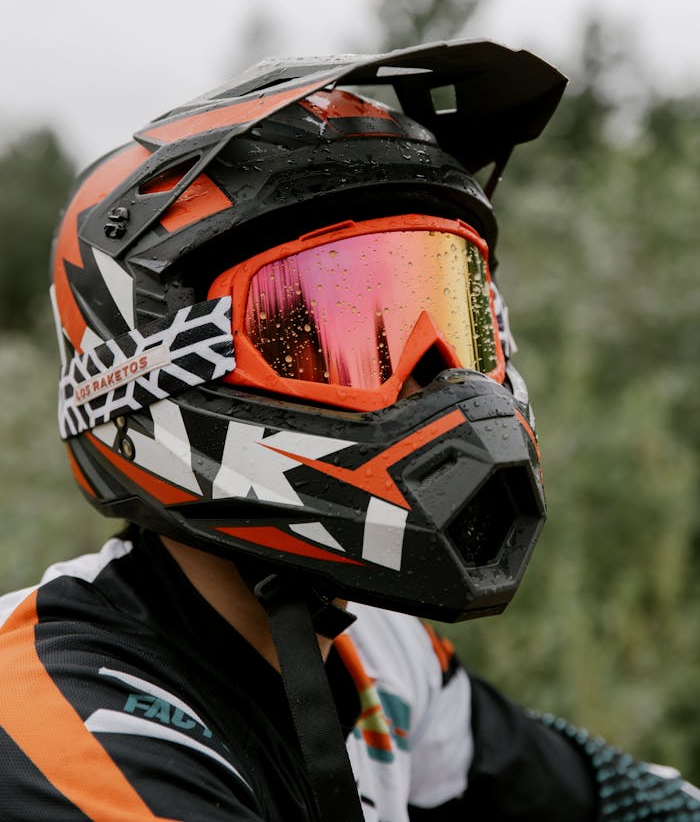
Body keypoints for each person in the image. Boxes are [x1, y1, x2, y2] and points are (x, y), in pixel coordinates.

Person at [0, 40, 697, 821]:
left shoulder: (379, 654)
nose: (441, 382)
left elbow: (605, 799)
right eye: (330, 332)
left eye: (456, 319)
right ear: (151, 366)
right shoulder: (58, 727)